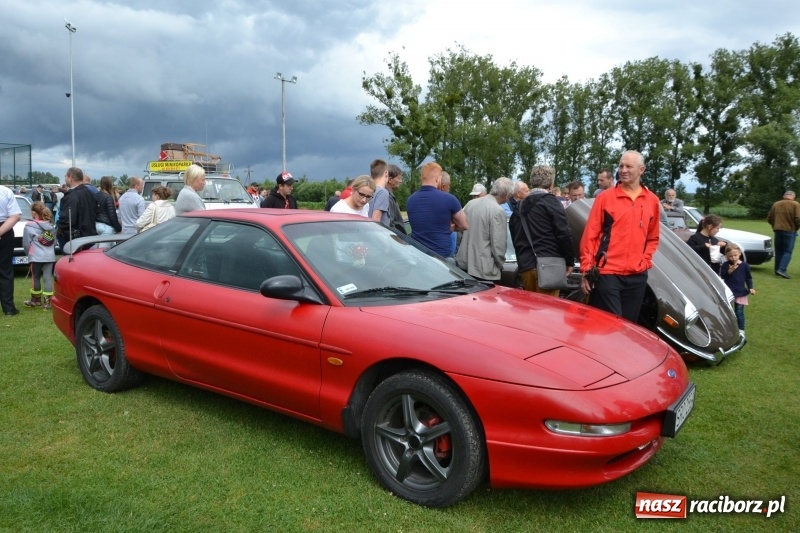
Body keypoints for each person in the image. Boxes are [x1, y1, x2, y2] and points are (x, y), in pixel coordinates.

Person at [579, 150, 660, 322]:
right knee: (610, 325)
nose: (623, 170)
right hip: (608, 273)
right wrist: (587, 269)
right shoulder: (605, 198)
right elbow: (590, 236)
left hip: (636, 275)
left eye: (628, 166)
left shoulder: (651, 200)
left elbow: (653, 237)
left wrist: (644, 260)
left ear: (641, 170)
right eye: (621, 165)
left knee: (629, 327)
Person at [509, 165, 574, 296]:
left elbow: (514, 235)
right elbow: (564, 234)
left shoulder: (519, 206)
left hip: (526, 266)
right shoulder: (552, 202)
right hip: (550, 265)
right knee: (549, 312)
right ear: (551, 184)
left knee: (531, 312)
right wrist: (569, 261)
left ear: (532, 182)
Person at [406, 162, 468, 258]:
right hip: (441, 257)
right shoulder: (449, 199)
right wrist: (450, 228)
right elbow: (464, 225)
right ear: (438, 178)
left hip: (417, 255)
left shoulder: (411, 200)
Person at [456, 177, 513, 281]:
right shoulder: (498, 211)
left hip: (464, 265)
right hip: (484, 270)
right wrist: (500, 263)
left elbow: (460, 234)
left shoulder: (470, 204)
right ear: (507, 195)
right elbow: (498, 245)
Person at [22, 202, 57, 310]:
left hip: (36, 255)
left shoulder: (29, 226)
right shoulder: (51, 225)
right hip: (49, 255)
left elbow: (26, 243)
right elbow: (54, 242)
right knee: (47, 278)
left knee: (35, 277)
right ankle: (48, 303)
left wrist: (29, 253)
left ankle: (36, 300)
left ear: (33, 213)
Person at [56, 167, 98, 249]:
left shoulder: (71, 196)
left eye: (65, 177)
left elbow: (67, 219)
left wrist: (58, 232)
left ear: (70, 178)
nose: (65, 179)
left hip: (76, 240)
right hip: (90, 237)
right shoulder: (90, 193)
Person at [719, 243, 754, 335]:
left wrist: (751, 288)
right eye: (730, 256)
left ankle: (741, 330)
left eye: (735, 255)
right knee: (728, 311)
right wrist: (730, 271)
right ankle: (728, 328)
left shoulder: (745, 266)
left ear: (739, 254)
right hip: (729, 292)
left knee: (739, 311)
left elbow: (748, 277)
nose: (733, 258)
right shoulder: (725, 265)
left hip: (741, 292)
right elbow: (722, 275)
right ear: (726, 256)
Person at [767, 190, 800, 279]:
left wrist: (775, 226)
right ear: (793, 196)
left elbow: (769, 218)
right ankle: (782, 269)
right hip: (789, 230)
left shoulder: (776, 204)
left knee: (778, 251)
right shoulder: (795, 204)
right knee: (787, 251)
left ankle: (777, 269)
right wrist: (796, 228)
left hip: (777, 230)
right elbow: (798, 218)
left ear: (784, 196)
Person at [0, 185, 22, 316]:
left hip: (4, 229)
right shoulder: (5, 191)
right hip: (5, 230)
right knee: (5, 270)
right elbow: (15, 216)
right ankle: (8, 308)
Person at [368, 159, 392, 226]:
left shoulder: (368, 191)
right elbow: (376, 220)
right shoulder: (382, 193)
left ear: (371, 175)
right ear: (386, 173)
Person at [386, 164, 407, 234]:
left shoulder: (389, 195)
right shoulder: (388, 197)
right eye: (399, 178)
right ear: (390, 180)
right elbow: (390, 223)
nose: (401, 181)